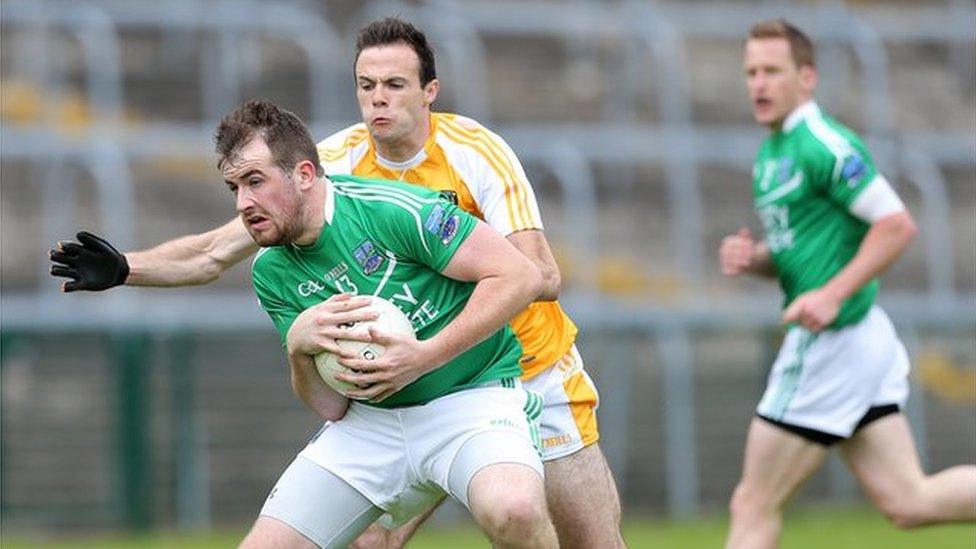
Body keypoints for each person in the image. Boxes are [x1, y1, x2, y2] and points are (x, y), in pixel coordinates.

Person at [49, 17, 624, 548]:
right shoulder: (330, 165)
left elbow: (539, 274)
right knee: (369, 541)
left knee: (584, 541)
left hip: (520, 369)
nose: (378, 97)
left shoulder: (473, 152)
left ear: (430, 91)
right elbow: (213, 252)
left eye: (395, 84)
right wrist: (127, 268)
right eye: (366, 84)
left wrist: (429, 301)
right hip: (398, 386)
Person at [220, 99, 557, 548]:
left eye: (255, 182)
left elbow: (522, 274)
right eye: (234, 187)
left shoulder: (390, 209)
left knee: (515, 510)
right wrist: (298, 349)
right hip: (369, 424)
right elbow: (330, 408)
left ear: (303, 174)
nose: (244, 203)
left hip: (471, 401)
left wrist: (423, 358)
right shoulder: (270, 272)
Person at [719, 19, 976, 549]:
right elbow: (799, 255)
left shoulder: (823, 144)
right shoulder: (772, 152)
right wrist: (757, 259)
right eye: (750, 72)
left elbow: (896, 224)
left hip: (834, 342)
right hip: (860, 338)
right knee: (910, 500)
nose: (758, 84)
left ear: (806, 78)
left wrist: (832, 295)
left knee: (752, 501)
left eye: (771, 71)